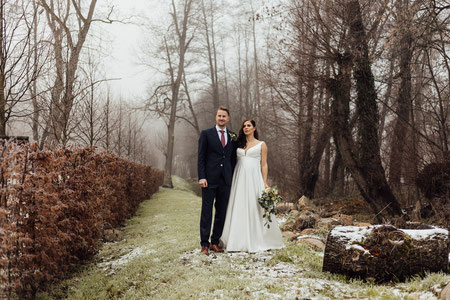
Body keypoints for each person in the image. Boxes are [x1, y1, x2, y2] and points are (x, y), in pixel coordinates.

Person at [220, 120, 284, 252]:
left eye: (248, 125)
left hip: (254, 179)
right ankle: (236, 239)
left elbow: (264, 164)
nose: (246, 128)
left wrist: (264, 182)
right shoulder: (238, 144)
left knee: (254, 206)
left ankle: (257, 238)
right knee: (239, 206)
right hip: (239, 179)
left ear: (254, 128)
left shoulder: (261, 145)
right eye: (244, 126)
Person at [197, 106, 237, 255]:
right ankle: (204, 245)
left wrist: (232, 177)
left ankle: (215, 242)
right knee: (206, 212)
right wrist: (202, 176)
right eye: (219, 116)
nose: (221, 118)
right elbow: (201, 157)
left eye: (224, 116)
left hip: (225, 180)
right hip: (209, 179)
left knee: (221, 212)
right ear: (216, 117)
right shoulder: (206, 134)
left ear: (228, 119)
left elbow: (233, 159)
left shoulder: (232, 136)